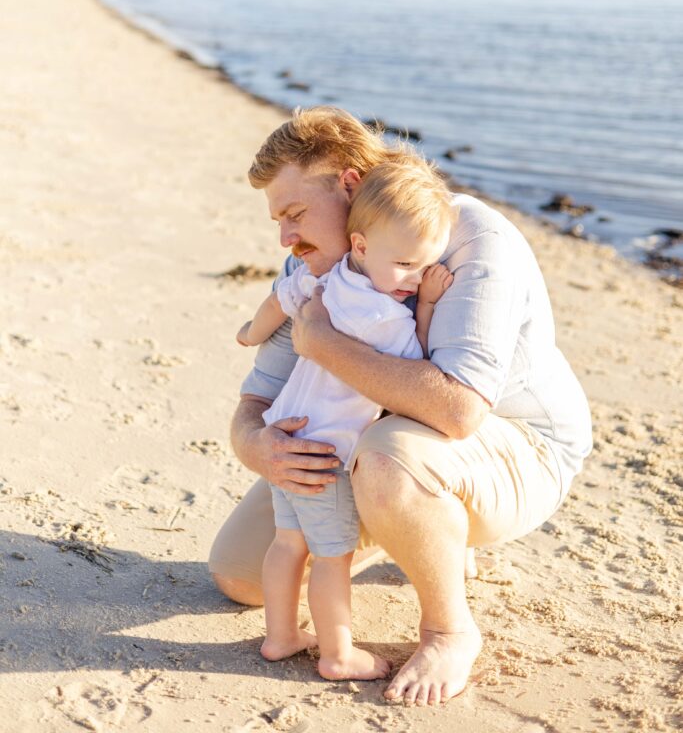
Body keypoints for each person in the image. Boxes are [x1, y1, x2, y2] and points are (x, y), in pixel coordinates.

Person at [209, 106, 592, 707]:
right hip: (363, 446)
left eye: (295, 213)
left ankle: (449, 629)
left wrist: (325, 344)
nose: (286, 237)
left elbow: (460, 412)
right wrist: (259, 446)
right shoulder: (313, 260)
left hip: (518, 447)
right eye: (280, 220)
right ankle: (413, 528)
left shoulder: (468, 239)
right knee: (240, 575)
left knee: (389, 458)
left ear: (351, 182)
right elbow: (255, 399)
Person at [236, 159, 454, 680]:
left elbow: (276, 301)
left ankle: (281, 636)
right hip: (326, 453)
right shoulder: (387, 316)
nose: (413, 278)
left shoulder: (326, 280)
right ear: (360, 246)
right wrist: (426, 305)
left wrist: (248, 333)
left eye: (423, 268)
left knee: (287, 544)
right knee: (331, 559)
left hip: (286, 433)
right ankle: (338, 654)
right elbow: (419, 364)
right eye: (404, 265)